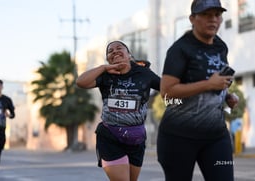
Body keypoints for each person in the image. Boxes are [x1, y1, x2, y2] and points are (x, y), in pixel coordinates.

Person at [157, 0, 239, 180]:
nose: (213, 20)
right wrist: (208, 84)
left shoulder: (220, 46)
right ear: (192, 19)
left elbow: (216, 79)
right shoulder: (180, 49)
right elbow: (167, 92)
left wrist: (227, 96)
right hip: (179, 137)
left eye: (217, 15)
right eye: (206, 15)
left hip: (216, 136)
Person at [76, 40, 160, 181]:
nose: (114, 51)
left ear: (129, 55)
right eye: (110, 51)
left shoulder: (144, 74)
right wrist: (103, 68)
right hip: (110, 136)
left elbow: (168, 88)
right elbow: (81, 82)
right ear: (108, 59)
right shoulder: (105, 75)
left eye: (119, 48)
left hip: (137, 138)